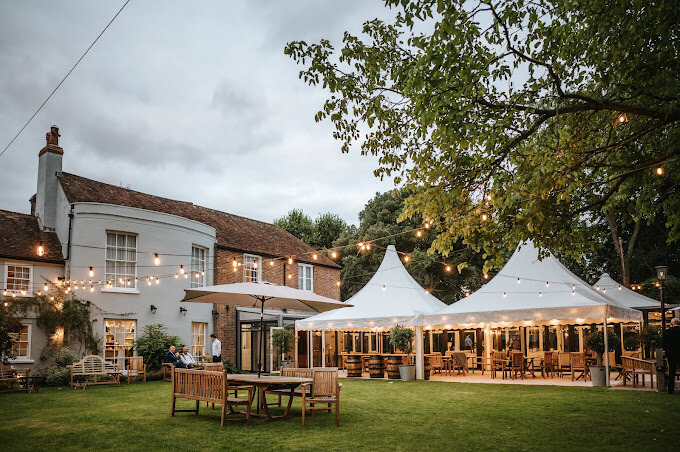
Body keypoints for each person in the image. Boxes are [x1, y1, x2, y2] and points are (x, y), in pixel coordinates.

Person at [663, 317, 680, 394]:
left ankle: (670, 389)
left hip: (671, 354)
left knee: (671, 372)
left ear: (672, 323)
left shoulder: (667, 332)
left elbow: (664, 344)